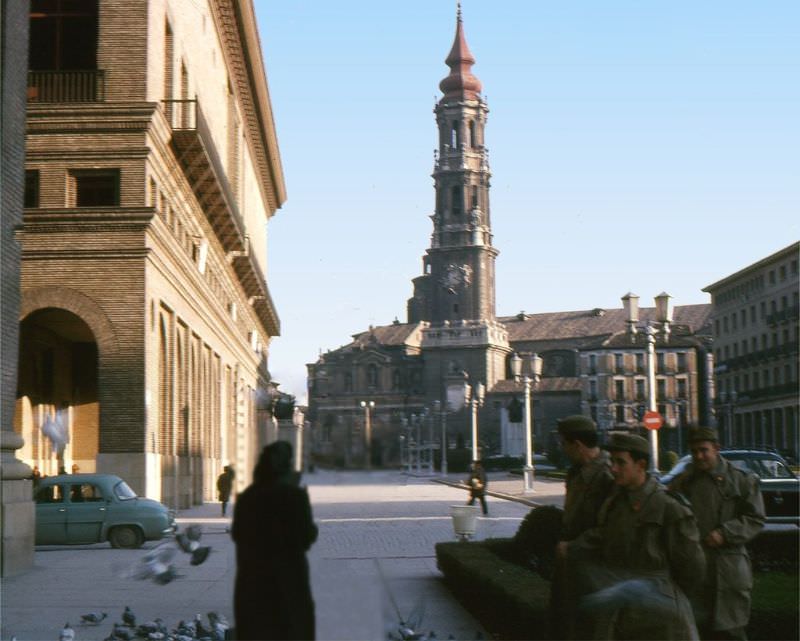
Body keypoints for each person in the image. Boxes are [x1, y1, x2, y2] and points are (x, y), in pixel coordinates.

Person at [563, 432, 706, 640]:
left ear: (640, 464)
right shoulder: (615, 503)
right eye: (612, 461)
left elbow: (693, 565)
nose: (613, 469)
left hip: (660, 613)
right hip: (620, 609)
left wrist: (666, 592)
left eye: (621, 462)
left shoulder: (668, 506)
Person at [669, 427, 765, 641]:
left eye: (704, 450)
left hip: (728, 568)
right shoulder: (685, 481)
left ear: (717, 449)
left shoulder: (741, 480)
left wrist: (725, 533)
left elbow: (755, 518)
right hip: (695, 568)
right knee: (695, 629)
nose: (699, 456)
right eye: (694, 452)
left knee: (730, 629)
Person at [231, 441, 318, 641]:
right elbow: (306, 537)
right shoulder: (295, 497)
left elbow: (238, 535)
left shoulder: (247, 498)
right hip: (288, 584)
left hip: (252, 584)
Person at [552, 415, 614, 639]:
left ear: (577, 445)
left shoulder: (607, 475)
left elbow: (613, 527)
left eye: (563, 443)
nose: (562, 449)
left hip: (594, 570)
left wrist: (575, 545)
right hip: (573, 565)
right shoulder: (577, 472)